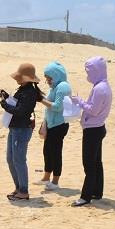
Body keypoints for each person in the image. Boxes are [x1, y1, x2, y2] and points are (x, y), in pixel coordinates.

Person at [70, 56, 112, 206]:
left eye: (89, 71)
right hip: (97, 128)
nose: (87, 74)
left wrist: (79, 102)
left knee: (89, 164)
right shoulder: (102, 85)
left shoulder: (100, 89)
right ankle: (97, 192)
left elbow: (93, 110)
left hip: (93, 130)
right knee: (96, 163)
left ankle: (85, 196)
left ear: (96, 71)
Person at [0, 63, 43, 201]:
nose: (17, 79)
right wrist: (6, 97)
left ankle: (23, 191)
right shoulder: (24, 89)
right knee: (10, 159)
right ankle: (19, 188)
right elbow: (17, 103)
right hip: (15, 128)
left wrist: (4, 104)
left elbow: (20, 111)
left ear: (26, 78)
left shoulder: (29, 92)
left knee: (18, 160)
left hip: (21, 129)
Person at [37, 61, 72, 190]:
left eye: (49, 78)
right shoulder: (55, 87)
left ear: (56, 75)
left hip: (59, 125)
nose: (48, 81)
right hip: (51, 125)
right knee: (47, 151)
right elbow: (49, 100)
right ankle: (46, 178)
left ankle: (55, 182)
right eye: (46, 78)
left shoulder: (63, 86)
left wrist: (41, 100)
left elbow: (57, 107)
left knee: (56, 153)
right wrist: (40, 95)